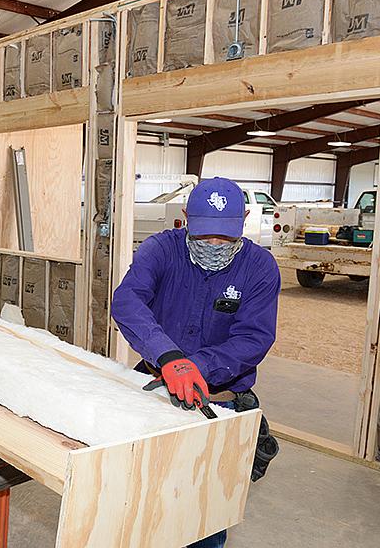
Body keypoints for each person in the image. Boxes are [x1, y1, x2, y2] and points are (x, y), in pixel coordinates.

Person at [111, 177, 280, 548]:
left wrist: (198, 366)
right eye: (204, 236)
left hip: (219, 400)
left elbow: (253, 338)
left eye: (225, 237)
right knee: (142, 502)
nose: (215, 246)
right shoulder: (160, 250)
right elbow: (127, 302)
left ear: (245, 220)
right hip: (156, 389)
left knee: (204, 514)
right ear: (185, 218)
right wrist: (169, 358)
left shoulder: (260, 267)